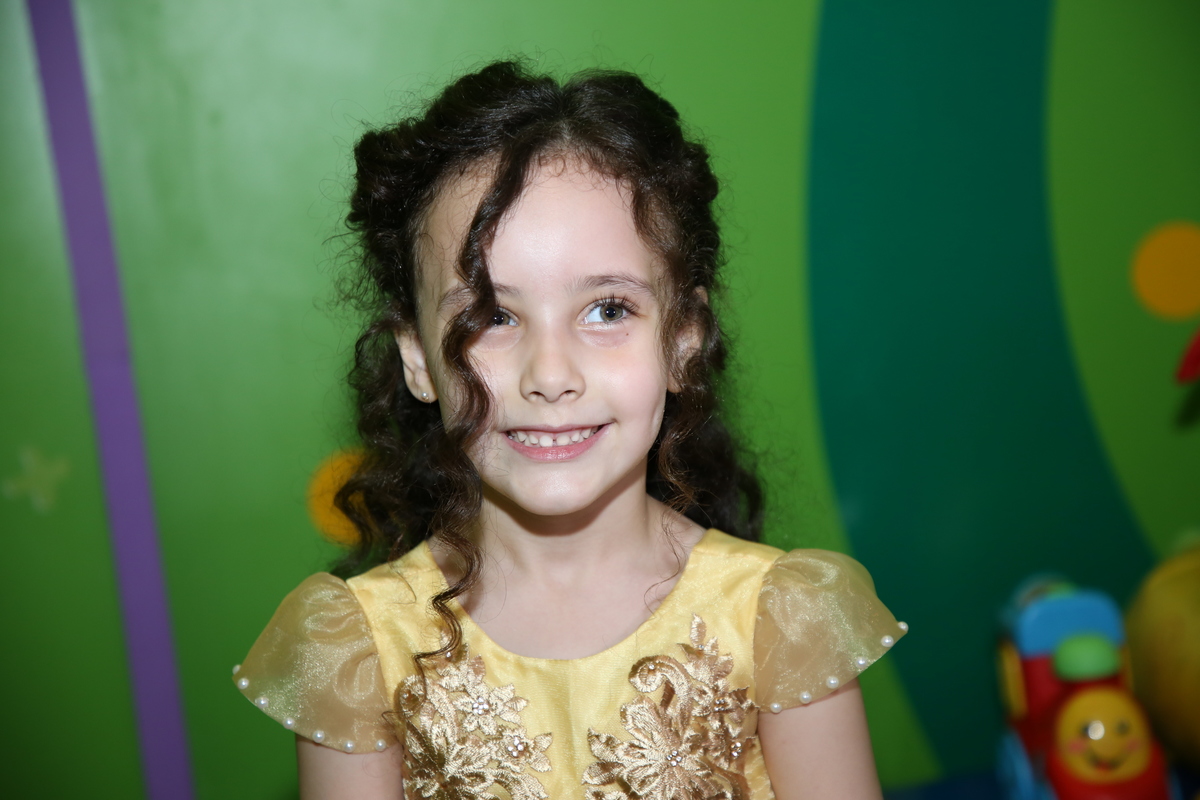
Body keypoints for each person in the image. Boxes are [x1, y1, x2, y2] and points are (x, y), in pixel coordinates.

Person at [234, 60, 907, 800]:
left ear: (684, 339)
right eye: (491, 316)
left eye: (608, 310)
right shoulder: (357, 648)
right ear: (418, 360)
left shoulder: (779, 621)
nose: (550, 374)